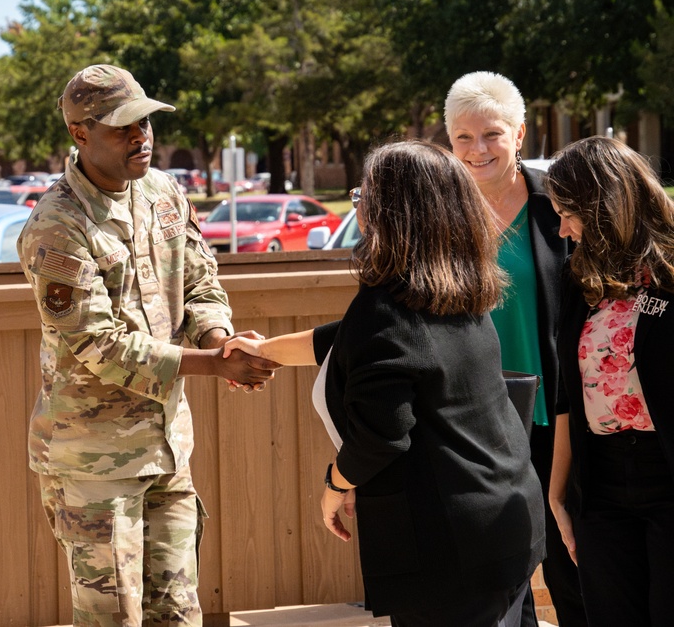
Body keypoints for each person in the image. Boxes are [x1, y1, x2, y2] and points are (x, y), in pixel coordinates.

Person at [224, 140, 545, 626]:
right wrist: (262, 351)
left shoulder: (388, 311)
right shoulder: (458, 289)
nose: (360, 208)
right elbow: (342, 341)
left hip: (451, 551)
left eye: (364, 197)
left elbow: (381, 436)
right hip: (507, 521)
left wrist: (336, 484)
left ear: (392, 213)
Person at [16, 63, 278, 626]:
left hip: (166, 448)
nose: (141, 137)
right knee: (114, 618)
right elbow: (97, 344)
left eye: (146, 124)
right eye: (123, 127)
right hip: (94, 463)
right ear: (80, 134)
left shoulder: (162, 192)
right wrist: (212, 364)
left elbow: (201, 283)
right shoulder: (57, 226)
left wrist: (220, 338)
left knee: (180, 614)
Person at [444, 71, 585, 626]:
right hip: (475, 424)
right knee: (499, 579)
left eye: (493, 134)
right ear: (448, 140)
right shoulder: (438, 218)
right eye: (463, 137)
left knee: (575, 569)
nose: (478, 150)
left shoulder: (561, 207)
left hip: (562, 416)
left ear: (520, 134)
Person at [545, 136, 674, 626]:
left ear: (603, 207)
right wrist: (558, 495)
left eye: (569, 214)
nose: (562, 229)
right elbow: (566, 394)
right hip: (600, 487)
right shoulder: (579, 278)